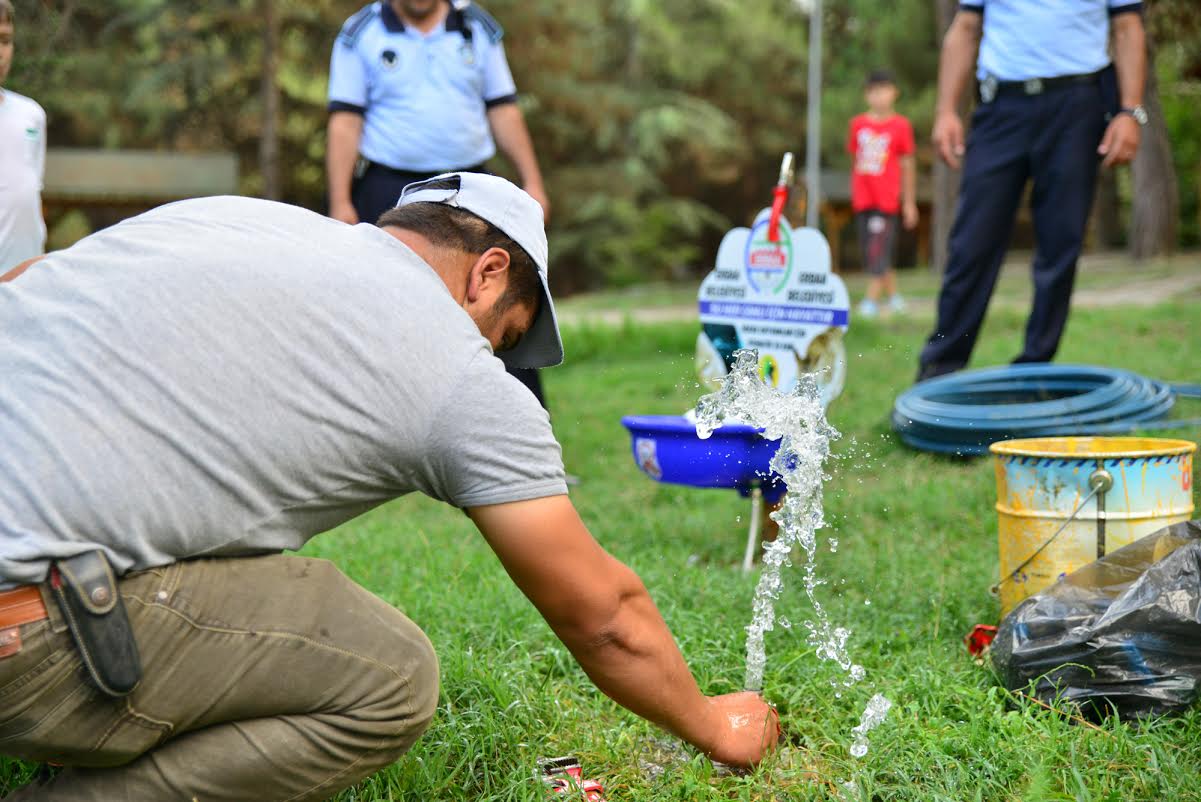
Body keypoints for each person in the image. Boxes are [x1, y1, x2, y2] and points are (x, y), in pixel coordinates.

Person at [0, 173, 778, 800]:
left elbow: (26, 282)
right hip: (20, 626)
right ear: (488, 271)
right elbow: (603, 615)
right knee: (391, 678)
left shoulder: (236, 218)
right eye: (504, 336)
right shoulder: (453, 373)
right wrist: (713, 724)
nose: (496, 358)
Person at [326, 0, 554, 412]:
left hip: (472, 186)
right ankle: (387, 430)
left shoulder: (478, 28)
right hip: (391, 188)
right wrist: (340, 199)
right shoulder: (361, 33)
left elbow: (502, 107)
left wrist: (532, 180)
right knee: (387, 312)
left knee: (502, 301)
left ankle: (523, 429)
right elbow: (346, 120)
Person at [918, 0, 1146, 381]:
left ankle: (1034, 372)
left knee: (1061, 244)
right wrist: (945, 111)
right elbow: (965, 28)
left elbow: (1128, 27)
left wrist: (1130, 111)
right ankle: (939, 369)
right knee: (971, 244)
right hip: (1001, 106)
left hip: (1078, 103)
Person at [846, 69, 918, 319]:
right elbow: (856, 160)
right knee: (874, 251)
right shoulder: (857, 125)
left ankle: (870, 301)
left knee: (878, 250)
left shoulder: (901, 126)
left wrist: (908, 202)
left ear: (894, 93)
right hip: (863, 200)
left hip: (886, 201)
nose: (879, 97)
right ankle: (895, 297)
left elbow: (908, 164)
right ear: (867, 95)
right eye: (874, 92)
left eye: (884, 90)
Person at [0, 0, 46, 273]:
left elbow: (31, 194)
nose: (0, 52)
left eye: (5, 40)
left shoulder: (31, 115)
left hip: (27, 281)